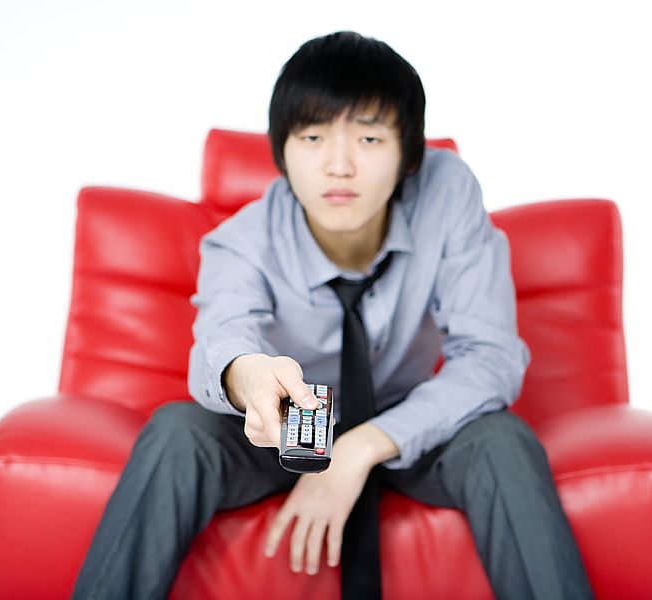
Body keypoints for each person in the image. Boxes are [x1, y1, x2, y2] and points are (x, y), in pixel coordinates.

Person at [72, 30, 594, 600]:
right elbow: (223, 337)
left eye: (369, 138)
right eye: (313, 136)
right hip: (287, 422)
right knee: (177, 431)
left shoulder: (446, 194)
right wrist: (250, 378)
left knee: (503, 441)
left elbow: (490, 357)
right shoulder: (243, 239)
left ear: (407, 155)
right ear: (282, 153)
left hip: (406, 419)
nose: (338, 165)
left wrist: (360, 445)